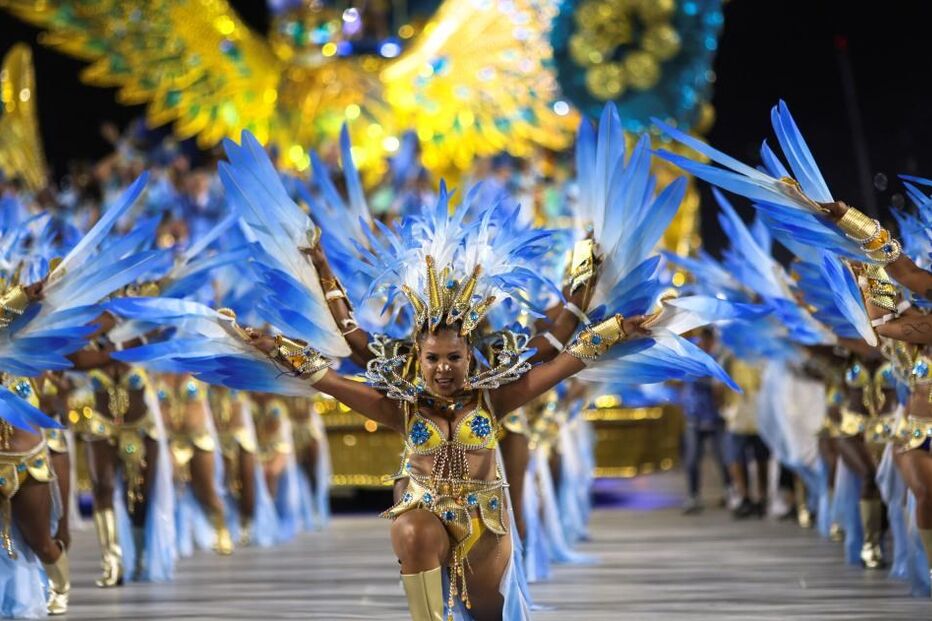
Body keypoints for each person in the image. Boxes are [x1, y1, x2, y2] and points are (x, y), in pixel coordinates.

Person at [680, 328, 733, 515]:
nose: (705, 344)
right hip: (694, 415)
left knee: (723, 456)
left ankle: (730, 491)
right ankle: (693, 496)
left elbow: (723, 382)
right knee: (692, 458)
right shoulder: (690, 352)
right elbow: (684, 376)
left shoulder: (721, 355)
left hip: (716, 415)